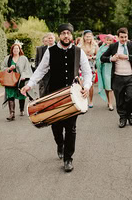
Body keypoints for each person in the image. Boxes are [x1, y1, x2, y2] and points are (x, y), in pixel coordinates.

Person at [20, 23, 92, 172]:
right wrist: (30, 84)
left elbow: (87, 72)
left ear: (72, 35)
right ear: (59, 35)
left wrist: (87, 86)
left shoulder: (79, 52)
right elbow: (40, 70)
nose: (66, 35)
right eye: (63, 33)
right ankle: (60, 144)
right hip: (54, 95)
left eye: (68, 33)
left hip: (73, 96)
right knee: (56, 127)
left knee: (71, 128)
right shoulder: (50, 51)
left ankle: (68, 158)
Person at [101, 27, 132, 128]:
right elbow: (103, 58)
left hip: (130, 76)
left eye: (125, 37)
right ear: (118, 37)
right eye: (122, 37)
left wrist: (128, 57)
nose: (124, 39)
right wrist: (111, 58)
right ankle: (122, 118)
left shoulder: (131, 45)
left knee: (130, 97)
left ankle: (129, 115)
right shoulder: (113, 46)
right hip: (117, 77)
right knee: (119, 100)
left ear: (128, 36)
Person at [1, 42, 33, 121]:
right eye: (14, 49)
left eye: (17, 49)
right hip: (10, 80)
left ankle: (21, 109)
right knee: (10, 95)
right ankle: (12, 113)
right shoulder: (8, 58)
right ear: (12, 50)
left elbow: (27, 69)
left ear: (19, 50)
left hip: (20, 80)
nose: (15, 50)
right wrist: (9, 69)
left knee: (21, 95)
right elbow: (3, 67)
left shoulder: (24, 58)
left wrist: (24, 76)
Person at [78, 30, 99, 108]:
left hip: (91, 66)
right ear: (84, 37)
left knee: (90, 84)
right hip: (81, 66)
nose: (88, 38)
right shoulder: (80, 46)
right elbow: (77, 55)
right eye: (87, 36)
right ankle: (82, 100)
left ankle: (90, 100)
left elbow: (98, 55)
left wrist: (93, 57)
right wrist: (84, 57)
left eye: (90, 36)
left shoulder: (95, 45)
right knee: (81, 83)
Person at [95, 34, 115, 111]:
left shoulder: (114, 48)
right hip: (103, 68)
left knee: (110, 87)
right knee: (106, 86)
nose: (108, 42)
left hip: (110, 68)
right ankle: (108, 101)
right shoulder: (102, 48)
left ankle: (111, 103)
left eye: (110, 40)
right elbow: (98, 57)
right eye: (107, 40)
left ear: (113, 41)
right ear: (105, 40)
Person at [35, 33, 56, 97]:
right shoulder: (43, 49)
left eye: (51, 38)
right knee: (43, 90)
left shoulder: (58, 47)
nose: (49, 40)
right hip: (44, 74)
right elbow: (37, 60)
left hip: (54, 73)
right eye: (48, 38)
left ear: (54, 39)